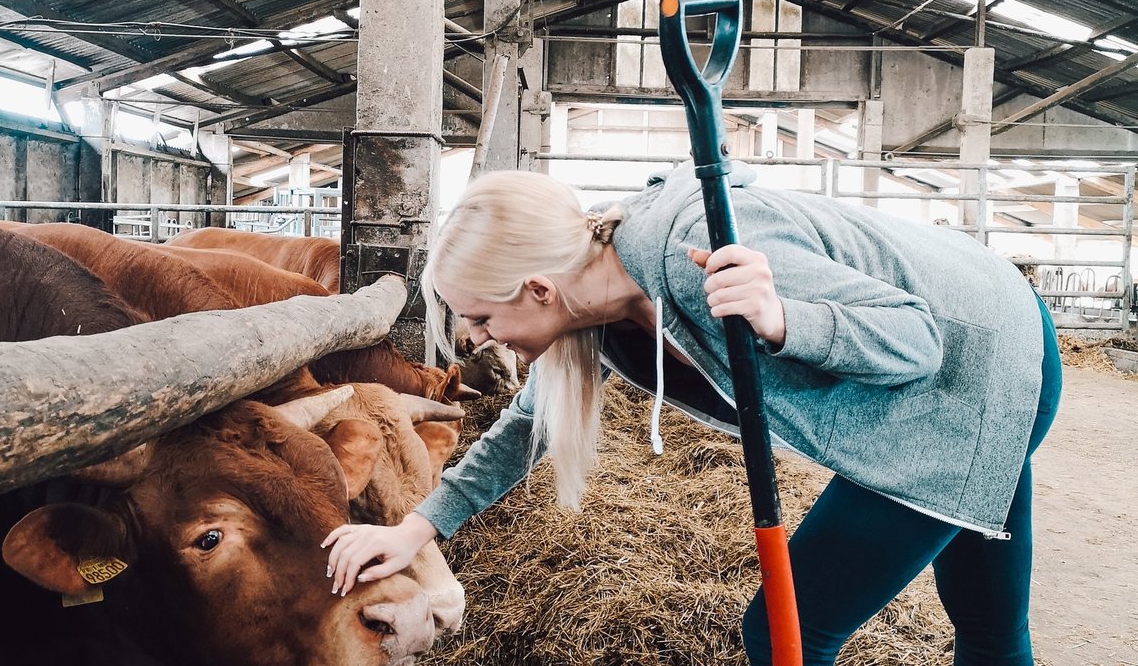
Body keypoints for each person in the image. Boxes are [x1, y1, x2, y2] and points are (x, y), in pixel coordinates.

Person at [322, 161, 1062, 666]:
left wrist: (783, 319)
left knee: (782, 634)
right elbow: (527, 424)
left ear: (540, 288)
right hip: (993, 345)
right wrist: (415, 528)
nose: (477, 338)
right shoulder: (598, 317)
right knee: (987, 618)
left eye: (480, 316)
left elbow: (917, 342)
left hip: (972, 371)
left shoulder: (688, 252)